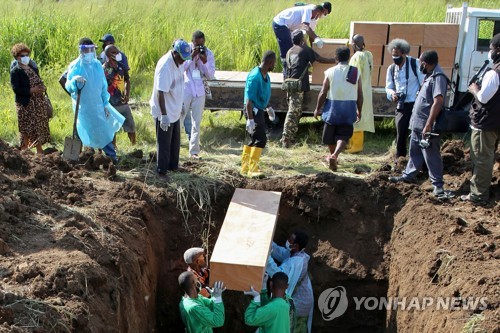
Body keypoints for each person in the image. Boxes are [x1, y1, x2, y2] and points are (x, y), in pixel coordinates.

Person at [389, 50, 451, 197]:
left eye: (420, 63)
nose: (419, 66)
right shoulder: (429, 75)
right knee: (415, 151)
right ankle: (408, 176)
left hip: (427, 125)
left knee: (431, 155)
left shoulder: (438, 77)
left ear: (425, 63)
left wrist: (429, 124)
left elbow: (438, 101)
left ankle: (438, 186)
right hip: (418, 124)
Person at [65, 37, 124, 163]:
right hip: (83, 107)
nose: (91, 52)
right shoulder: (75, 66)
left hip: (97, 106)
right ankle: (73, 158)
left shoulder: (97, 65)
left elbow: (103, 86)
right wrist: (75, 81)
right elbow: (68, 86)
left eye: (93, 49)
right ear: (82, 51)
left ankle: (111, 158)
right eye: (88, 50)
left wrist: (105, 103)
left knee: (103, 131)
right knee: (82, 130)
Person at [461, 33, 500, 205]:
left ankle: (478, 195)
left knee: (482, 158)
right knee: (487, 156)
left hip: (486, 122)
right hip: (495, 121)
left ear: (497, 50)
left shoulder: (494, 73)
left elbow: (484, 98)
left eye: (491, 48)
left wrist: (474, 89)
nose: (489, 52)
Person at [280, 29, 336, 148]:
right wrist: (335, 61)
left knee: (296, 111)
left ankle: (291, 137)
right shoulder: (304, 49)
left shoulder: (290, 51)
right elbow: (319, 59)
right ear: (302, 40)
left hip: (290, 84)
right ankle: (286, 138)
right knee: (293, 112)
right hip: (298, 86)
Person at [314, 46, 363, 171]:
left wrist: (317, 108)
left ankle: (333, 155)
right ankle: (335, 156)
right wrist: (359, 110)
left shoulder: (330, 71)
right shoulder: (355, 72)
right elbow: (360, 94)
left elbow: (323, 92)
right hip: (349, 107)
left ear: (336, 57)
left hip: (332, 108)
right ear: (349, 57)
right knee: (344, 135)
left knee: (329, 135)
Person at [150, 39, 192, 178]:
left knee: (175, 141)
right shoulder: (166, 67)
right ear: (175, 53)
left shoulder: (179, 62)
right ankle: (162, 171)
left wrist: (181, 104)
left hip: (175, 107)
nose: (183, 61)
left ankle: (173, 166)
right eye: (181, 58)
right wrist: (164, 115)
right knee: (164, 143)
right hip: (165, 110)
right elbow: (160, 92)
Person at [385, 39, 425, 160]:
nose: (395, 57)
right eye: (393, 55)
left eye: (397, 55)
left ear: (404, 53)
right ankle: (400, 159)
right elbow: (388, 87)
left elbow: (423, 82)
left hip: (416, 103)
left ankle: (418, 159)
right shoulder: (391, 68)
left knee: (417, 132)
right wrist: (392, 94)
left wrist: (419, 94)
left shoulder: (414, 63)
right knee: (401, 133)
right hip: (402, 105)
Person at [266, 231, 313, 333]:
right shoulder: (295, 254)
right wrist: (268, 242)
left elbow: (279, 276)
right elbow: (279, 251)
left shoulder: (296, 262)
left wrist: (267, 258)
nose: (287, 241)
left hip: (299, 304)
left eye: (290, 240)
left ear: (295, 246)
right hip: (301, 300)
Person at [9, 43, 50, 155]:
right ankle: (24, 151)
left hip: (37, 103)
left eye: (27, 54)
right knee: (25, 128)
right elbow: (17, 89)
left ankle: (39, 151)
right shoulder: (15, 71)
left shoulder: (32, 66)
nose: (26, 57)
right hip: (25, 104)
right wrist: (32, 90)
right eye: (23, 55)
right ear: (17, 57)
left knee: (37, 126)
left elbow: (38, 80)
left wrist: (42, 88)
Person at [240, 51, 276, 178]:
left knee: (252, 138)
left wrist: (269, 107)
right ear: (270, 62)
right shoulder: (255, 76)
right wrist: (250, 119)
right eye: (274, 63)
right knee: (260, 139)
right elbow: (249, 100)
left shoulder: (265, 76)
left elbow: (262, 95)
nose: (274, 66)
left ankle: (245, 168)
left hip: (259, 109)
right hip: (252, 110)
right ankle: (253, 169)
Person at [181, 30, 216, 159]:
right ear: (193, 42)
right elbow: (181, 68)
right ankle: (176, 148)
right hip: (187, 88)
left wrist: (204, 61)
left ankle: (194, 151)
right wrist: (191, 56)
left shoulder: (208, 53)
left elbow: (210, 75)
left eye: (202, 44)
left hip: (199, 90)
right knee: (180, 118)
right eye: (197, 45)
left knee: (197, 122)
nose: (199, 47)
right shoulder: (185, 50)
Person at [272, 4, 325, 76]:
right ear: (318, 12)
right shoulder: (308, 10)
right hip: (281, 23)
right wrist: (316, 38)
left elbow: (310, 35)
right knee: (287, 49)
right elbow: (305, 27)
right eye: (319, 15)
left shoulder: (313, 19)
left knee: (299, 47)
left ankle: (297, 70)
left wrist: (312, 50)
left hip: (290, 27)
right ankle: (286, 73)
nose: (318, 17)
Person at [347, 34, 375, 153]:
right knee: (361, 117)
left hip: (357, 91)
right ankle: (355, 144)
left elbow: (353, 76)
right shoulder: (368, 54)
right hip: (366, 89)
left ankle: (356, 146)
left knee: (356, 119)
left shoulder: (356, 57)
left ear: (353, 44)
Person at [103, 45, 136, 146]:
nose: (118, 54)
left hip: (122, 102)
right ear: (109, 55)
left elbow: (127, 80)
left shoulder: (121, 66)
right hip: (111, 104)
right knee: (112, 128)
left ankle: (134, 146)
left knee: (130, 125)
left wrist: (127, 94)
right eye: (115, 53)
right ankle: (114, 148)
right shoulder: (104, 69)